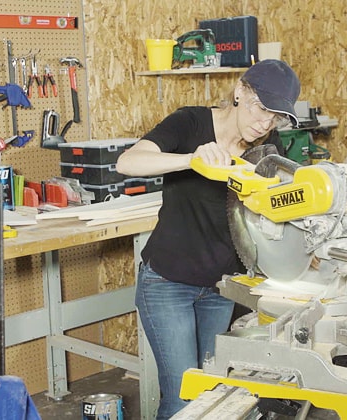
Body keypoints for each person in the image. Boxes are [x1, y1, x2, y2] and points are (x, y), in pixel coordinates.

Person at [115, 59, 301, 419]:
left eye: (275, 116)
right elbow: (128, 162)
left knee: (214, 390)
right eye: (261, 109)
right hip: (169, 284)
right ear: (239, 92)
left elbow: (273, 203)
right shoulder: (191, 122)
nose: (265, 123)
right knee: (184, 396)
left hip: (221, 286)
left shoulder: (267, 143)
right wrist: (190, 159)